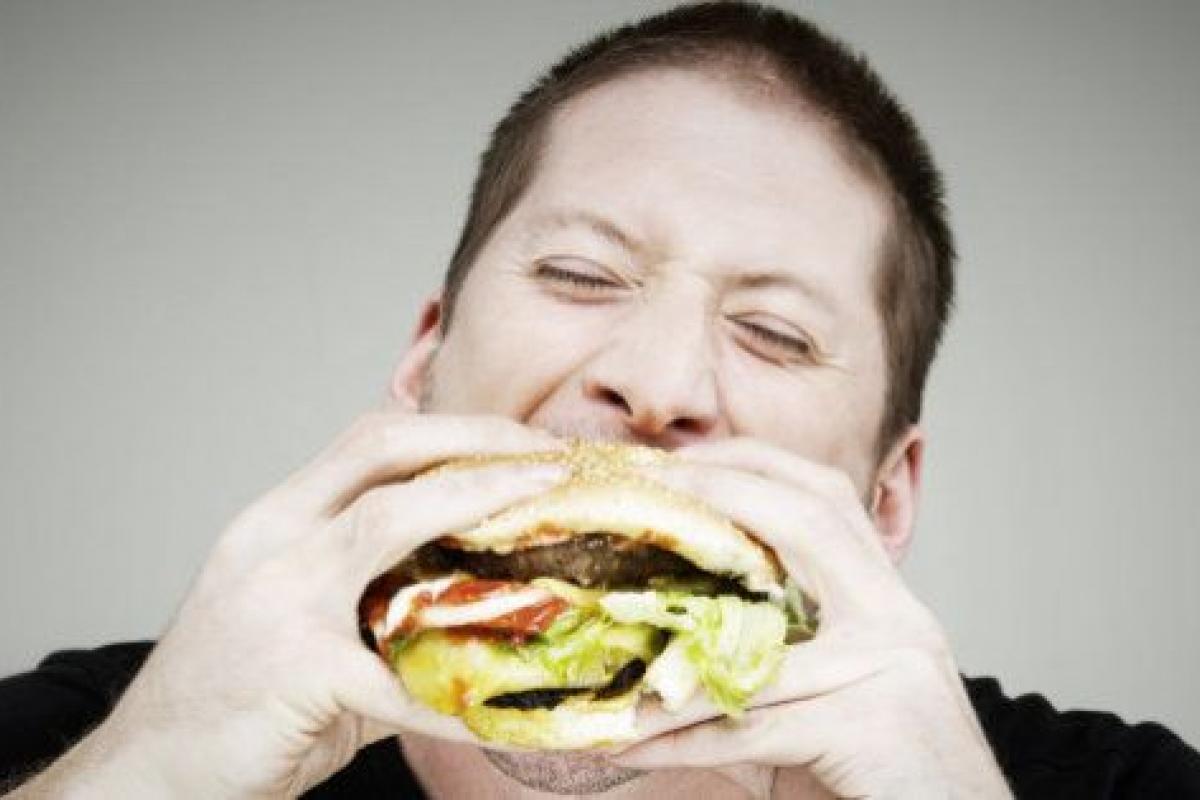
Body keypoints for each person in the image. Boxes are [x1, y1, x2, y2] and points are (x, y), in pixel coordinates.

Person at [2, 3, 1198, 798]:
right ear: (424, 363)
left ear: (887, 497)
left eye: (776, 332)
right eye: (581, 274)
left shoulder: (1119, 783)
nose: (659, 385)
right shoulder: (88, 737)